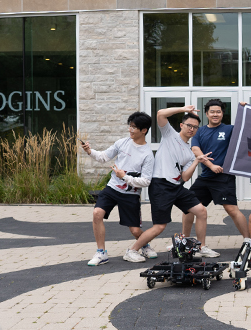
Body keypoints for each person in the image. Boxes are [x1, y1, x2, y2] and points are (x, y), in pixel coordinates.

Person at [122, 106, 214, 263]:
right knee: (159, 227)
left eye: (195, 127)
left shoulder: (189, 152)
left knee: (201, 211)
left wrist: (196, 162)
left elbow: (185, 177)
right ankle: (131, 251)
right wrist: (184, 108)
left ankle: (201, 247)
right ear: (181, 125)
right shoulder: (170, 134)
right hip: (160, 185)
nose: (191, 129)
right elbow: (160, 114)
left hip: (176, 187)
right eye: (189, 125)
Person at [81, 111, 155, 266]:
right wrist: (89, 151)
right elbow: (103, 157)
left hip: (130, 194)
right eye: (130, 126)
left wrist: (125, 177)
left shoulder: (148, 154)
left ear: (144, 130)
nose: (130, 130)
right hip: (112, 188)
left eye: (134, 127)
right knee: (97, 213)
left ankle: (144, 245)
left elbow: (146, 181)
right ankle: (101, 253)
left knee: (135, 231)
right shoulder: (122, 143)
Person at [182, 99, 249, 241]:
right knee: (188, 206)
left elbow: (246, 126)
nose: (215, 114)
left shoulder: (229, 129)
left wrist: (245, 109)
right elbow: (195, 149)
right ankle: (184, 240)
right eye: (212, 112)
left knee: (231, 209)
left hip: (223, 177)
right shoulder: (200, 131)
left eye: (218, 112)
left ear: (222, 114)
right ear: (206, 114)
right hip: (206, 176)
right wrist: (211, 166)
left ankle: (248, 240)